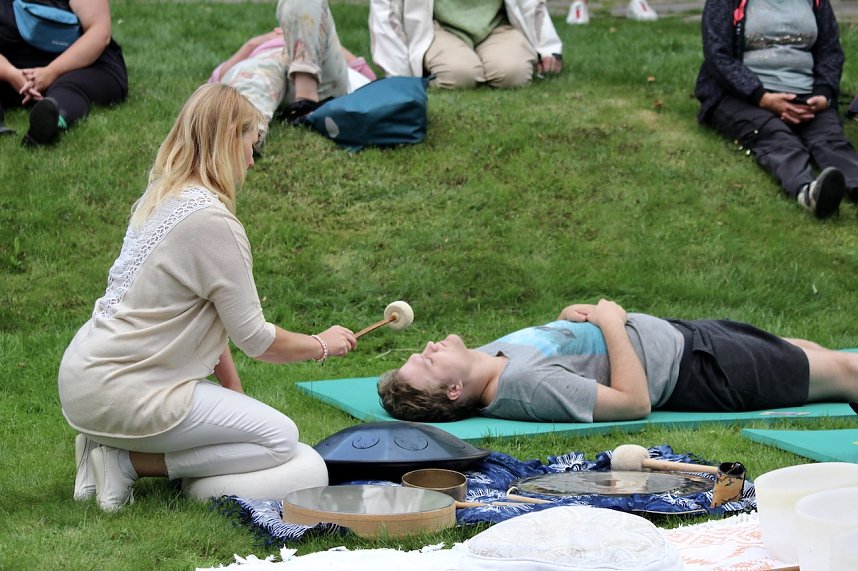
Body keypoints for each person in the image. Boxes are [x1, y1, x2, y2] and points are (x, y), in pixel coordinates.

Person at [58, 83, 357, 512]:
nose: (252, 159)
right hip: (126, 391)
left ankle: (99, 446)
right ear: (227, 138)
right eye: (250, 145)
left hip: (85, 378)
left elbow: (207, 314)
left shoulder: (161, 196)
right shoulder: (213, 222)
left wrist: (234, 394)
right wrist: (322, 344)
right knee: (280, 439)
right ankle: (128, 462)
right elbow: (257, 340)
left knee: (279, 443)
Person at [378, 299, 858, 423]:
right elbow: (633, 402)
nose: (427, 349)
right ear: (454, 392)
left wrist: (566, 319)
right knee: (846, 373)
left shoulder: (487, 360)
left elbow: (565, 353)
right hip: (707, 370)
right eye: (427, 364)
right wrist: (610, 323)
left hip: (687, 339)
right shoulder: (524, 388)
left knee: (814, 353)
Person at [694, 0, 858, 219]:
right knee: (776, 137)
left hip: (806, 94)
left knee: (831, 141)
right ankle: (809, 193)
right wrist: (761, 97)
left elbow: (830, 49)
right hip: (742, 96)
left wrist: (824, 92)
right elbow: (717, 55)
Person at [209, 0, 377, 141]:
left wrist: (315, 35)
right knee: (255, 80)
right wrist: (256, 43)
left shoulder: (317, 31)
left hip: (320, 81)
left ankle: (306, 92)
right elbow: (219, 76)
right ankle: (243, 139)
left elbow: (367, 76)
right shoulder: (261, 46)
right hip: (268, 61)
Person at [0, 0, 128, 146]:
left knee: (69, 89)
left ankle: (53, 121)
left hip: (80, 63)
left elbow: (99, 32)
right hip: (14, 66)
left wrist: (51, 72)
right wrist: (9, 72)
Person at [369, 0, 563, 90]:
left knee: (514, 74)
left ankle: (483, 64)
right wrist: (398, 75)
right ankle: (440, 71)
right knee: (460, 75)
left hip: (496, 26)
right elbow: (386, 10)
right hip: (438, 29)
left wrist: (548, 48)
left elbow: (532, 3)